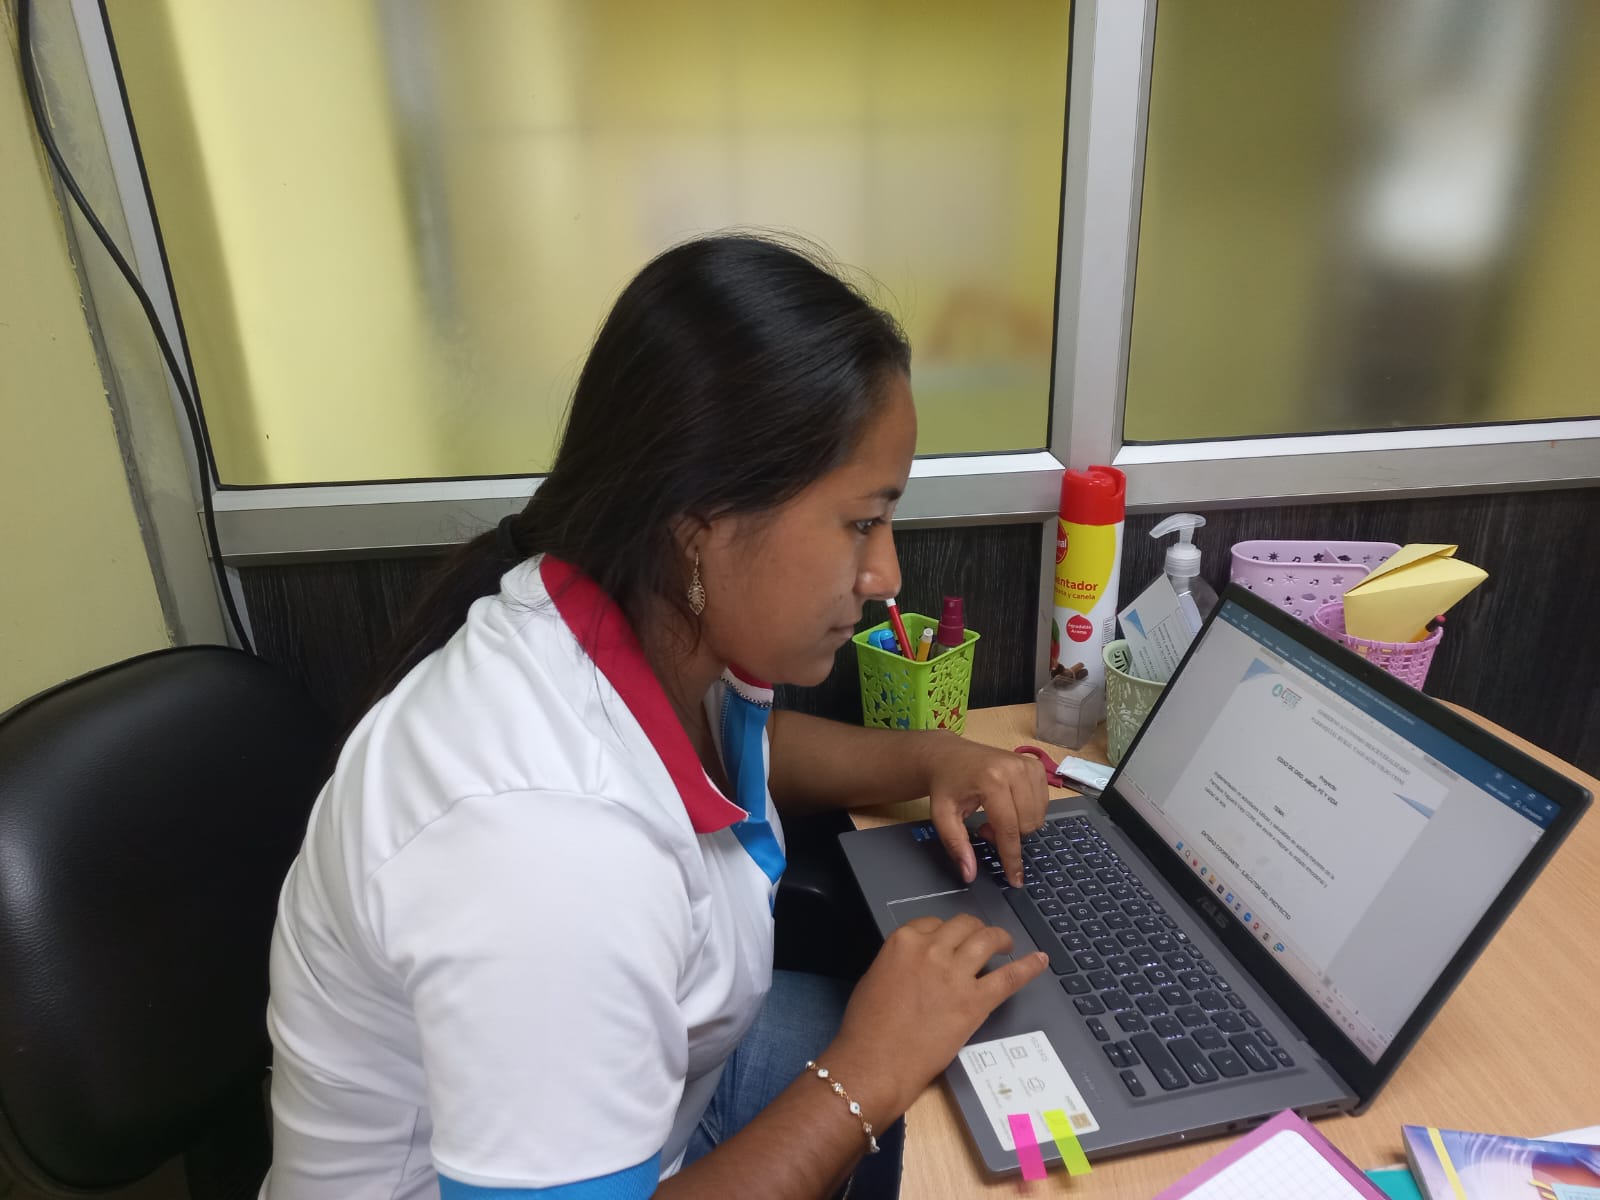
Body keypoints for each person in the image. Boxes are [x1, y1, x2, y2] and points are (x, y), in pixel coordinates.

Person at [260, 234, 1051, 1200]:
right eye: (861, 522)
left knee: (994, 1079)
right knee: (967, 1129)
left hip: (664, 1109)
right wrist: (868, 1071)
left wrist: (930, 758)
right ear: (698, 523)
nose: (885, 574)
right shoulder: (544, 848)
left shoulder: (639, 620)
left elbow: (741, 759)